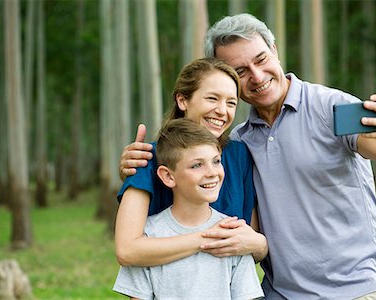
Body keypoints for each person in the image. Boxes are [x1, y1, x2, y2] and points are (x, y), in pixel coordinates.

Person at [119, 13, 376, 299]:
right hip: (280, 292)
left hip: (352, 289)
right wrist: (137, 170)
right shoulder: (242, 140)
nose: (257, 76)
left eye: (260, 59)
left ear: (275, 51)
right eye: (242, 71)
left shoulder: (329, 107)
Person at [115, 57, 268, 272]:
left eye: (231, 102)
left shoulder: (239, 156)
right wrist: (208, 239)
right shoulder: (146, 158)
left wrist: (260, 244)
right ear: (182, 100)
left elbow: (250, 246)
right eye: (212, 98)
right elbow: (127, 249)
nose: (222, 111)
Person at [113, 119, 264, 300]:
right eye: (197, 165)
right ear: (168, 176)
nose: (212, 172)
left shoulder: (233, 235)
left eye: (216, 161)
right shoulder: (148, 236)